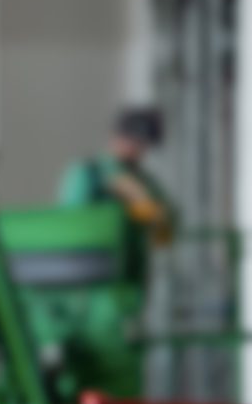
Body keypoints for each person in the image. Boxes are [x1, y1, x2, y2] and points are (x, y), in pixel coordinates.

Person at [57, 106, 176, 284]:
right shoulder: (87, 173)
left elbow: (166, 227)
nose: (138, 150)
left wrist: (144, 203)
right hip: (90, 271)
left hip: (130, 274)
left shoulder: (143, 180)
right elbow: (72, 224)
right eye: (134, 142)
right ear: (117, 136)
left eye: (142, 145)